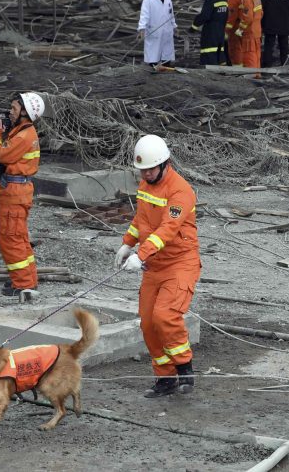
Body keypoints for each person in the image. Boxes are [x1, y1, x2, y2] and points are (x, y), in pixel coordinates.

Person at [114, 135, 201, 398]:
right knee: (149, 323)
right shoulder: (145, 185)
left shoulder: (180, 191)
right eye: (143, 170)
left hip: (179, 263)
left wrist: (141, 254)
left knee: (166, 315)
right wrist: (127, 243)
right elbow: (141, 218)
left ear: (165, 164)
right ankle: (164, 378)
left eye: (151, 169)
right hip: (154, 263)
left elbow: (167, 229)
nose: (147, 173)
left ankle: (185, 368)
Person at [0, 93, 43, 302]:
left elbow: (0, 153)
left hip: (14, 195)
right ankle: (27, 280)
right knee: (18, 238)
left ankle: (23, 286)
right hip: (16, 192)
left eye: (13, 109)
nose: (10, 112)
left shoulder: (23, 135)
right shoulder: (23, 131)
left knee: (10, 239)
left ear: (25, 113)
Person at [138, 0, 177, 67]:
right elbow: (144, 15)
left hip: (167, 29)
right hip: (154, 29)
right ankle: (153, 67)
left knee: (167, 51)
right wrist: (142, 28)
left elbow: (171, 13)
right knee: (153, 52)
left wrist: (174, 26)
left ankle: (166, 65)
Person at [191, 0, 228, 66]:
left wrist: (194, 26)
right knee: (220, 55)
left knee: (208, 53)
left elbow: (204, 16)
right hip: (221, 32)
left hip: (210, 32)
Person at [235, 0, 263, 73]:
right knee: (256, 54)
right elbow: (261, 13)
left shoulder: (248, 0)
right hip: (257, 31)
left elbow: (248, 17)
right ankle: (256, 73)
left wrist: (240, 29)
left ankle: (251, 74)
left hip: (249, 32)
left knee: (249, 54)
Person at [223, 0, 244, 66]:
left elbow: (231, 17)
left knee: (234, 49)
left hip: (234, 28)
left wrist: (227, 31)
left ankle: (237, 69)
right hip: (240, 26)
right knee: (240, 48)